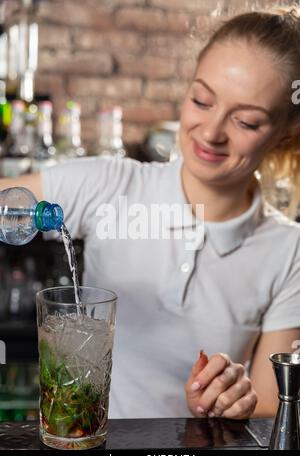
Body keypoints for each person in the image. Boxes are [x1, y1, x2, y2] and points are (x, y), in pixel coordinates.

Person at [1, 7, 300, 420]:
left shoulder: (289, 252)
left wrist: (228, 402)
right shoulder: (110, 186)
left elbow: (271, 407)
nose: (211, 132)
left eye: (246, 121)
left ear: (286, 130)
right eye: (201, 100)